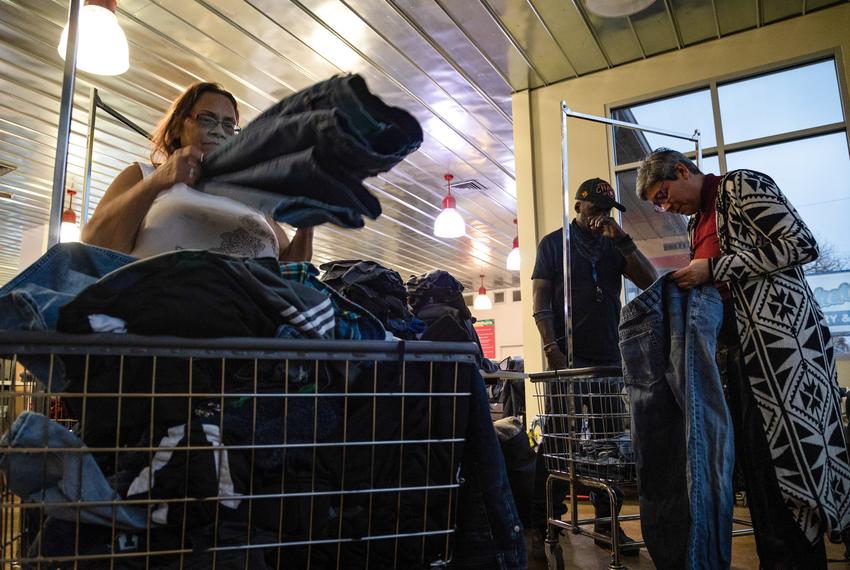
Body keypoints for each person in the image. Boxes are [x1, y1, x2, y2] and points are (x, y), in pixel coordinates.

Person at [636, 148, 850, 570]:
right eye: (658, 204)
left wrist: (713, 269)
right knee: (758, 474)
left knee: (789, 469)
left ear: (682, 170)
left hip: (785, 355)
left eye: (663, 194)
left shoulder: (741, 185)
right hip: (742, 359)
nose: (666, 207)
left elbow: (800, 243)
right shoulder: (698, 222)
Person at [531, 177, 657, 554]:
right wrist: (553, 349)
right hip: (567, 360)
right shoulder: (554, 244)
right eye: (594, 209)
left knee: (608, 445)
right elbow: (540, 301)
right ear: (578, 206)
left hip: (606, 358)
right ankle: (543, 519)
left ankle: (607, 522)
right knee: (556, 439)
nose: (599, 217)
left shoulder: (611, 244)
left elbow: (650, 281)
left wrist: (622, 240)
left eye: (606, 211)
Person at [82, 82, 313, 261]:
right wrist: (160, 180)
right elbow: (96, 244)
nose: (219, 132)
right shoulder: (143, 175)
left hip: (250, 315)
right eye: (207, 119)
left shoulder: (253, 197)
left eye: (228, 125)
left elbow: (289, 268)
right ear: (177, 128)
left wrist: (307, 225)